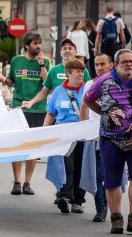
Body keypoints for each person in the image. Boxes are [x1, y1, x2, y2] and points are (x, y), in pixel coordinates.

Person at [83, 49, 132, 235]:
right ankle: (116, 219)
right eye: (124, 61)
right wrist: (104, 113)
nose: (129, 64)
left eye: (131, 61)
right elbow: (88, 99)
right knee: (112, 182)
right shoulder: (103, 81)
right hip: (110, 140)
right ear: (115, 64)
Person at [0, 32, 51, 196]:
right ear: (27, 45)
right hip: (19, 108)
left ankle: (27, 182)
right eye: (35, 43)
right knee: (18, 145)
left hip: (38, 108)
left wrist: (41, 65)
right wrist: (4, 79)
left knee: (33, 147)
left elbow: (47, 83)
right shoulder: (16, 61)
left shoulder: (46, 61)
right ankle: (17, 182)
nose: (38, 46)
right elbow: (12, 81)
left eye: (39, 43)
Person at [43, 59, 88, 215]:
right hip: (64, 136)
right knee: (66, 166)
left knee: (80, 168)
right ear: (68, 73)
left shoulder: (87, 90)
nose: (80, 73)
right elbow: (51, 113)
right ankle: (65, 197)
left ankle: (78, 201)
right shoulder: (58, 91)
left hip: (83, 135)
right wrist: (45, 130)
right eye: (76, 71)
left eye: (82, 71)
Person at [79, 53, 114, 223]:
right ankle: (101, 208)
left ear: (111, 65)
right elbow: (84, 108)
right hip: (93, 136)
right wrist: (81, 129)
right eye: (96, 64)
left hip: (113, 137)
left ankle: (110, 204)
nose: (99, 67)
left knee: (109, 174)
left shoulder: (117, 84)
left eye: (103, 64)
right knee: (97, 173)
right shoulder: (89, 84)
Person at [21, 39, 92, 109]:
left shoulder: (83, 71)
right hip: (58, 114)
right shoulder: (53, 71)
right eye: (64, 49)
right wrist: (31, 102)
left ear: (75, 52)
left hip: (78, 114)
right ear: (61, 53)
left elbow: (89, 91)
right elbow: (44, 91)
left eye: (70, 48)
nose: (67, 50)